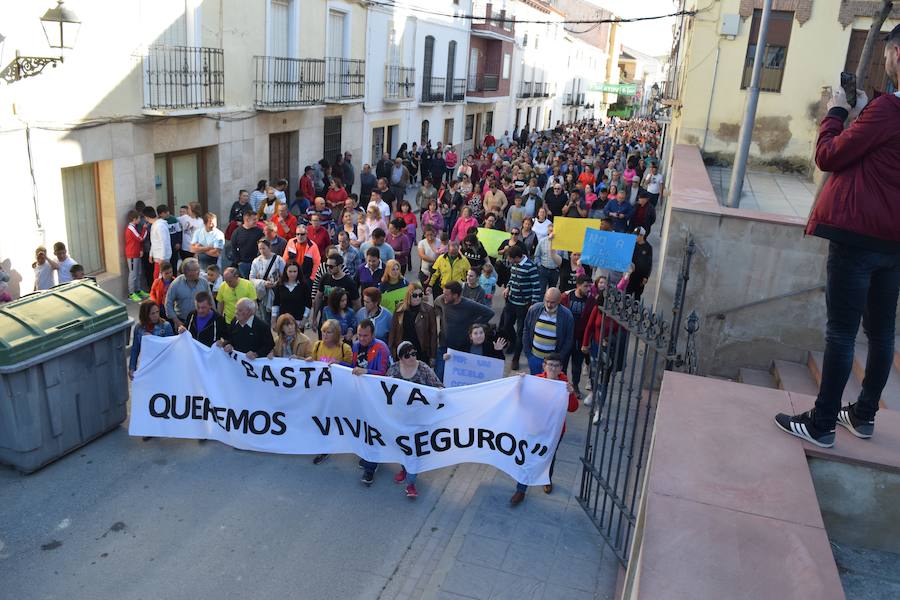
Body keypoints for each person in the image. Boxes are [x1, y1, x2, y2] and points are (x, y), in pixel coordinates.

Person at [775, 33, 900, 447]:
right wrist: (864, 114)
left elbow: (828, 155)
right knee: (881, 333)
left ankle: (822, 423)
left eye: (886, 54)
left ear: (896, 53)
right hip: (894, 244)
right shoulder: (883, 112)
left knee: (842, 333)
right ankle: (863, 416)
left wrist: (837, 111)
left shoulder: (888, 109)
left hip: (858, 238)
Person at [509, 353, 579, 505]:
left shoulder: (565, 385)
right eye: (550, 365)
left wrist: (571, 394)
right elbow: (521, 399)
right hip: (535, 427)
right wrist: (520, 383)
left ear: (561, 368)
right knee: (528, 457)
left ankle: (546, 479)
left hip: (555, 431)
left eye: (556, 366)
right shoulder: (536, 380)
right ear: (544, 366)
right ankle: (521, 489)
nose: (553, 368)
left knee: (549, 456)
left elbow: (573, 408)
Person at [388, 340, 443, 498]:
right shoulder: (393, 369)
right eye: (407, 355)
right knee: (403, 447)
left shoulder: (423, 368)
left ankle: (411, 483)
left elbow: (438, 385)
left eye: (414, 353)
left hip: (420, 419)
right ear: (400, 358)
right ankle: (404, 470)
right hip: (401, 418)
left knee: (414, 451)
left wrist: (439, 391)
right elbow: (383, 388)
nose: (412, 357)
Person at [433, 281, 494, 377]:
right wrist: (442, 316)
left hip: (461, 348)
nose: (444, 296)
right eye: (443, 293)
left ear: (456, 295)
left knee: (457, 376)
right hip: (444, 345)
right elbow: (436, 305)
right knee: (439, 374)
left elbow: (489, 313)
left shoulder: (469, 305)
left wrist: (473, 326)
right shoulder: (441, 300)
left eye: (447, 294)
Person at [503, 245, 542, 371]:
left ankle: (516, 358)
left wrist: (533, 305)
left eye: (509, 258)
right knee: (506, 325)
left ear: (516, 257)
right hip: (511, 301)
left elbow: (536, 286)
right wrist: (508, 287)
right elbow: (512, 278)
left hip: (523, 305)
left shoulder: (530, 267)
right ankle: (514, 342)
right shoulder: (514, 265)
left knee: (521, 331)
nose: (508, 260)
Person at [522, 287, 574, 375]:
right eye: (547, 301)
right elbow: (526, 330)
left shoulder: (567, 316)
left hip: (552, 363)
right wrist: (529, 355)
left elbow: (569, 339)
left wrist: (559, 358)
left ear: (559, 301)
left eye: (552, 302)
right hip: (534, 358)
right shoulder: (534, 310)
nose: (549, 305)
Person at [561, 275, 596, 398]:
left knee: (577, 365)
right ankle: (562, 386)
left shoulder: (591, 301)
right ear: (578, 285)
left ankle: (575, 385)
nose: (588, 289)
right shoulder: (566, 297)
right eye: (585, 286)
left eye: (590, 286)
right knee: (562, 363)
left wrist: (587, 341)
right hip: (565, 337)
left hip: (579, 338)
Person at [388, 283, 438, 364]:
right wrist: (391, 350)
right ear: (409, 295)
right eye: (415, 295)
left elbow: (433, 334)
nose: (418, 298)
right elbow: (393, 330)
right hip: (403, 348)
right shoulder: (399, 308)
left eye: (420, 295)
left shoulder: (428, 310)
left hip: (421, 350)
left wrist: (433, 355)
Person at [165, 258, 211, 331]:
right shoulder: (176, 284)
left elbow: (211, 302)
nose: (199, 272)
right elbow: (168, 303)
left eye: (198, 269)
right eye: (195, 270)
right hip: (182, 322)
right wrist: (176, 321)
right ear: (187, 271)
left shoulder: (204, 283)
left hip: (201, 321)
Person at [250, 239, 285, 322]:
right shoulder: (256, 261)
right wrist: (262, 283)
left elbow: (284, 275)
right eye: (260, 249)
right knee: (265, 318)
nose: (262, 251)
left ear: (269, 247)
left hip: (277, 292)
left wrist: (277, 282)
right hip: (263, 293)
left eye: (264, 248)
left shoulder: (279, 260)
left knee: (279, 318)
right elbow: (251, 278)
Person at [271, 260, 311, 326]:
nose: (292, 274)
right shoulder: (280, 285)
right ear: (286, 271)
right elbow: (276, 303)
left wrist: (304, 319)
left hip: (298, 321)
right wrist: (273, 320)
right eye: (290, 271)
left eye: (295, 271)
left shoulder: (304, 285)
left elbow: (308, 304)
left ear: (298, 272)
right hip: (283, 321)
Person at [125, 210, 148, 301]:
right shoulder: (131, 228)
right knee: (133, 274)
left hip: (136, 253)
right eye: (138, 218)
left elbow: (138, 241)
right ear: (134, 219)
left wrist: (141, 249)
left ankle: (138, 290)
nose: (140, 220)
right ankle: (131, 293)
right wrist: (145, 229)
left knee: (138, 273)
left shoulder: (133, 227)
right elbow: (140, 238)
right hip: (132, 254)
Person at [232, 210, 264, 278]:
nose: (256, 221)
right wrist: (238, 262)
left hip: (257, 263)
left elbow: (264, 246)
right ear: (246, 219)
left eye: (256, 219)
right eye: (254, 219)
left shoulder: (260, 232)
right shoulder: (237, 232)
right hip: (243, 264)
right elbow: (233, 248)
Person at [533, 223, 562, 294]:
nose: (552, 233)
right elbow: (536, 255)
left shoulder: (561, 243)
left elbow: (564, 257)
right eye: (550, 231)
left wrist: (560, 268)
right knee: (541, 291)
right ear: (548, 231)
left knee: (552, 292)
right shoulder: (542, 241)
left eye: (553, 231)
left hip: (555, 271)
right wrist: (540, 266)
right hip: (543, 270)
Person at [145, 206, 172, 281]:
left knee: (161, 279)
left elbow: (163, 242)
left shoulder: (160, 226)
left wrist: (162, 258)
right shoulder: (155, 225)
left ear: (146, 217)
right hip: (158, 256)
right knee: (157, 278)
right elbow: (154, 241)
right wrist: (151, 254)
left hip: (162, 257)